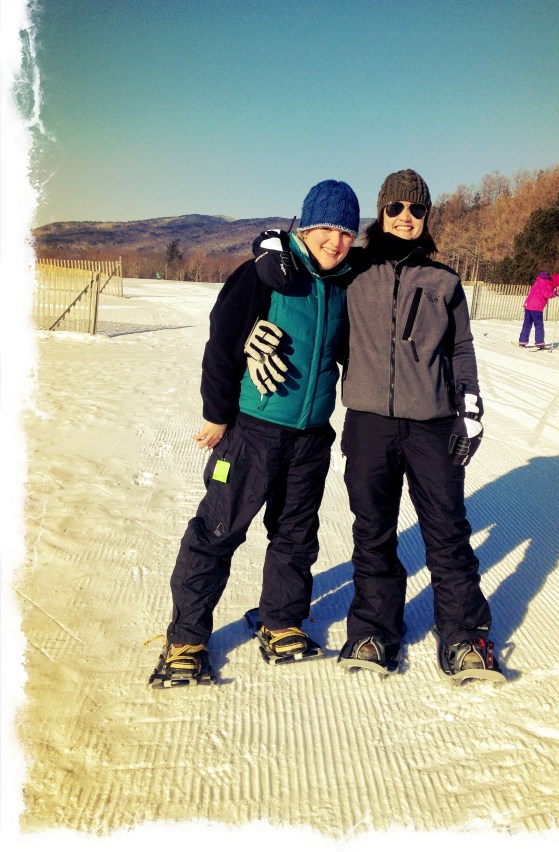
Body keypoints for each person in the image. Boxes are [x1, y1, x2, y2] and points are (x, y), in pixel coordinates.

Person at [253, 169, 501, 681]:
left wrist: (470, 408)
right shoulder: (354, 269)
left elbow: (460, 348)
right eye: (396, 207)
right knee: (373, 532)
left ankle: (464, 634)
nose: (406, 217)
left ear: (426, 216)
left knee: (447, 532)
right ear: (381, 211)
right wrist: (267, 244)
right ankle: (373, 630)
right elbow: (302, 254)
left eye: (416, 209)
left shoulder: (444, 281)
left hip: (432, 425)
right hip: (369, 425)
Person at [149, 179, 359, 687]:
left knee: (295, 536)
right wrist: (216, 413)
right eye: (327, 229)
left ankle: (280, 621)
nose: (336, 242)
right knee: (217, 530)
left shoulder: (345, 284)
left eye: (347, 233)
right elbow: (222, 341)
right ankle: (186, 639)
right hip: (252, 431)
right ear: (305, 228)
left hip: (310, 436)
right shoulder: (265, 272)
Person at [518, 271, 559, 349]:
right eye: (558, 285)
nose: (557, 286)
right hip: (536, 307)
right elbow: (547, 293)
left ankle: (522, 341)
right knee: (539, 325)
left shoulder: (539, 281)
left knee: (527, 324)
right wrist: (556, 293)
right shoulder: (547, 283)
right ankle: (539, 343)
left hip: (528, 305)